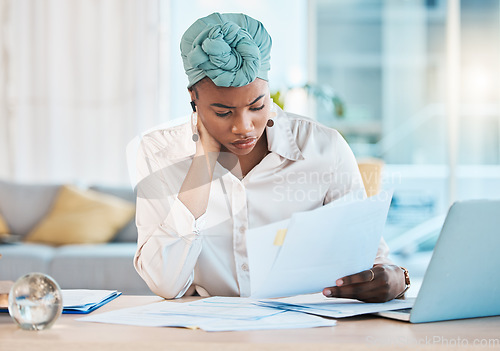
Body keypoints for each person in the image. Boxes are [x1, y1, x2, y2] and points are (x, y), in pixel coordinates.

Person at [133, 12, 408, 302]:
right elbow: (165, 284)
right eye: (223, 112)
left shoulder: (324, 148)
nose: (243, 127)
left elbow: (370, 261)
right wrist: (204, 160)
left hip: (308, 331)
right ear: (193, 98)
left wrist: (395, 278)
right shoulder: (159, 153)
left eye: (257, 106)